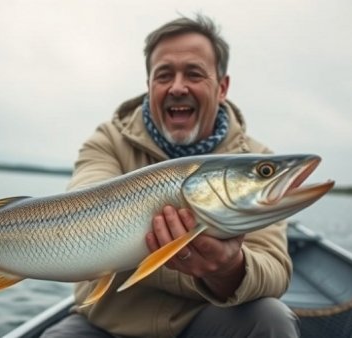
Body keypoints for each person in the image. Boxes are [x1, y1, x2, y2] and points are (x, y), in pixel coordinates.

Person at [42, 15, 299, 337]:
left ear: (222, 87)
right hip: (105, 324)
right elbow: (84, 198)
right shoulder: (107, 140)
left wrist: (228, 268)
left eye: (193, 73)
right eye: (164, 75)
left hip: (203, 322)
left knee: (270, 318)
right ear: (149, 85)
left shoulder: (256, 162)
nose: (178, 87)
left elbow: (274, 270)